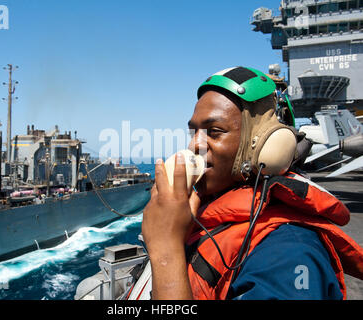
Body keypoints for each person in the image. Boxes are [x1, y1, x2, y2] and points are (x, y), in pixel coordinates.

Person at [141, 66, 363, 300]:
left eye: (214, 131)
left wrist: (166, 250)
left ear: (264, 146)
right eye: (194, 132)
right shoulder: (208, 217)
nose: (194, 145)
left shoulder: (289, 253)